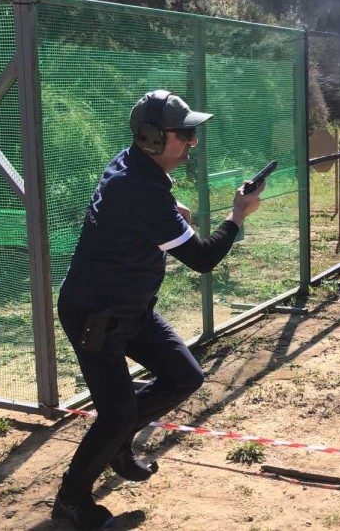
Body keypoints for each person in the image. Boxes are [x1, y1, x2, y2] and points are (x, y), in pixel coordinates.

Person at [52, 90, 264, 529]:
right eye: (183, 134)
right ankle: (71, 501)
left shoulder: (132, 167)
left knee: (184, 376)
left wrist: (169, 210)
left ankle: (117, 443)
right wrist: (237, 214)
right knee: (117, 413)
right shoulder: (141, 189)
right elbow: (202, 258)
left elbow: (139, 213)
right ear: (151, 138)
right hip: (95, 313)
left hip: (128, 308)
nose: (192, 142)